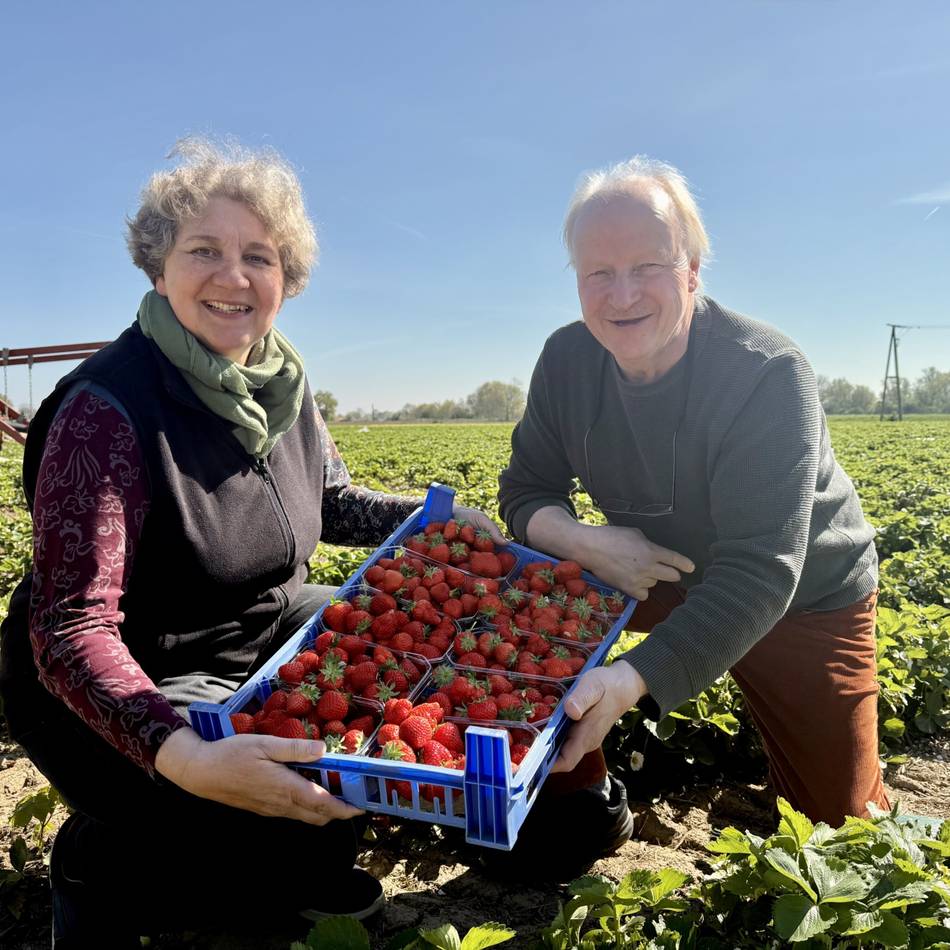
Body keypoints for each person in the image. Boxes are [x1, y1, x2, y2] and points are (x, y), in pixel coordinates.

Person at [0, 138, 503, 948]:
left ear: (285, 279)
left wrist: (438, 515)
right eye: (204, 251)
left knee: (385, 677)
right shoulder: (108, 409)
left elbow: (331, 499)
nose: (233, 277)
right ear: (157, 266)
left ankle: (304, 871)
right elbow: (69, 628)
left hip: (252, 630)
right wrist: (177, 752)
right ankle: (104, 865)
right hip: (129, 670)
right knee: (241, 802)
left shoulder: (281, 385)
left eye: (258, 257)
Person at [498, 155, 888, 829]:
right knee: (513, 606)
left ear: (692, 270)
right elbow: (525, 489)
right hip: (658, 569)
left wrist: (628, 681)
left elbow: (761, 573)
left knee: (838, 829)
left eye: (647, 266)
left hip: (800, 594)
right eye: (599, 273)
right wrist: (583, 539)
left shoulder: (764, 372)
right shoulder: (566, 361)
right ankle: (568, 798)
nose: (622, 295)